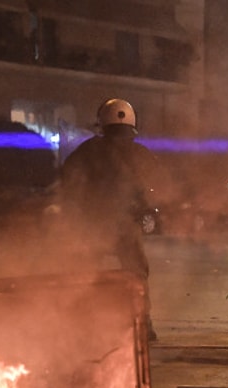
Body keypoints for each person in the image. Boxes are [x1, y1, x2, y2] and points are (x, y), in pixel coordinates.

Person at [59, 98, 168, 339]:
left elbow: (69, 184)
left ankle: (84, 324)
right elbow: (157, 188)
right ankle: (143, 325)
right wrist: (147, 212)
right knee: (137, 273)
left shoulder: (86, 151)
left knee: (87, 273)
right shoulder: (142, 153)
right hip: (127, 225)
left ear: (102, 123)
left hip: (94, 224)